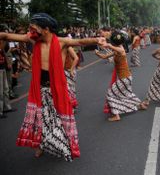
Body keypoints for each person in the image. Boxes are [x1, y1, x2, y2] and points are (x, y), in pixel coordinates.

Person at [0, 13, 105, 161]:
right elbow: (6, 36)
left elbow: (80, 41)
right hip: (40, 89)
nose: (31, 31)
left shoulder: (61, 42)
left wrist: (97, 39)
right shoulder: (33, 39)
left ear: (46, 29)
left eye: (34, 28)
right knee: (39, 119)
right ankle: (40, 145)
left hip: (56, 90)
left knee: (57, 119)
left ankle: (62, 142)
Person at [95, 31, 147, 122]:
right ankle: (141, 105)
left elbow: (120, 50)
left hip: (124, 78)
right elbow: (105, 56)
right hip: (126, 77)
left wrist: (107, 45)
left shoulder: (121, 50)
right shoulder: (117, 49)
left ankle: (116, 115)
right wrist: (97, 53)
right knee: (127, 94)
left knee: (110, 94)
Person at [0, 37, 13, 118]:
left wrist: (8, 63)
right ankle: (0, 111)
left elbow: (4, 53)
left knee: (6, 89)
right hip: (0, 69)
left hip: (3, 68)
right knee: (0, 91)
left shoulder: (1, 49)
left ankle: (7, 107)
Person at [64, 46, 79, 110]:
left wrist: (72, 70)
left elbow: (76, 58)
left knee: (71, 89)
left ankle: (73, 105)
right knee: (66, 89)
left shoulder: (67, 46)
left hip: (70, 70)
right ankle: (71, 105)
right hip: (62, 70)